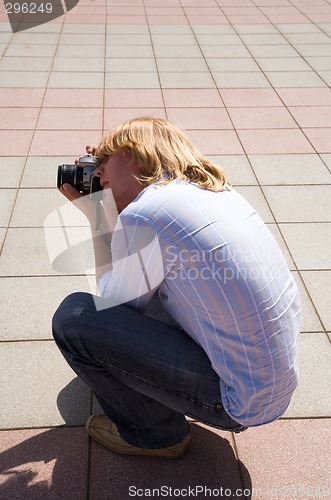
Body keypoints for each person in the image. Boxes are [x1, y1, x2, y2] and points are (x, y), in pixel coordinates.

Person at [52, 117, 301, 459]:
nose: (97, 173)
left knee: (74, 318)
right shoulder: (213, 192)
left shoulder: (147, 213)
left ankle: (155, 433)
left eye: (105, 160)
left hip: (234, 401)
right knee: (146, 292)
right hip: (269, 386)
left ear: (136, 153)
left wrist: (97, 215)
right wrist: (114, 178)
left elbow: (111, 304)